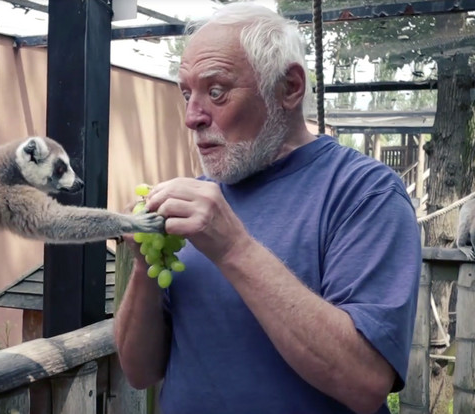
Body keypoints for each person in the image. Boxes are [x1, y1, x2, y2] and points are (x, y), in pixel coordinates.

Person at [113, 3, 422, 414]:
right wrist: (142, 268)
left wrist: (234, 249)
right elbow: (139, 372)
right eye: (186, 93)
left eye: (216, 91)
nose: (192, 117)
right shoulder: (199, 205)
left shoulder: (365, 193)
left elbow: (366, 382)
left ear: (289, 87)